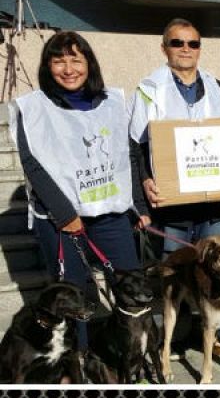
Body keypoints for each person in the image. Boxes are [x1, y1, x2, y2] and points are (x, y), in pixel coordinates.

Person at [13, 32, 148, 345]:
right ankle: (79, 367)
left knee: (133, 290)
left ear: (89, 63)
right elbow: (32, 164)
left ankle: (137, 357)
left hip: (110, 213)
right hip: (61, 220)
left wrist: (137, 206)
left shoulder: (113, 101)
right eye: (59, 60)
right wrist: (65, 214)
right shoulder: (33, 108)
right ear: (47, 67)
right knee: (71, 297)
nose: (68, 68)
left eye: (76, 59)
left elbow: (126, 155)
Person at [130, 19, 220, 287]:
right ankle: (179, 326)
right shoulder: (147, 91)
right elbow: (137, 144)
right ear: (164, 48)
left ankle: (215, 328)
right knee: (175, 270)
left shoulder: (218, 88)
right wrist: (144, 180)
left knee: (216, 267)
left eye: (193, 43)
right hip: (174, 204)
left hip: (215, 202)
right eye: (177, 43)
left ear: (199, 49)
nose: (185, 48)